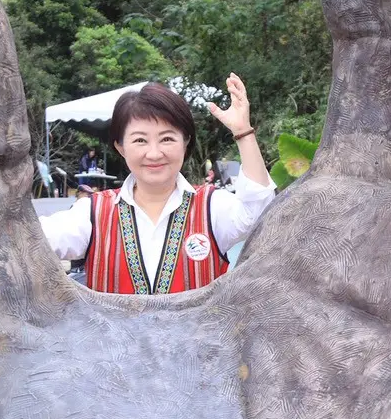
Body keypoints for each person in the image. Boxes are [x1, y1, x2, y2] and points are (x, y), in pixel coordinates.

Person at [40, 75, 274, 293]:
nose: (154, 153)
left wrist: (243, 132)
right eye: (140, 140)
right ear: (121, 147)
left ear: (185, 142)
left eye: (167, 139)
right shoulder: (91, 213)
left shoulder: (212, 207)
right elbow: (32, 240)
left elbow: (261, 216)